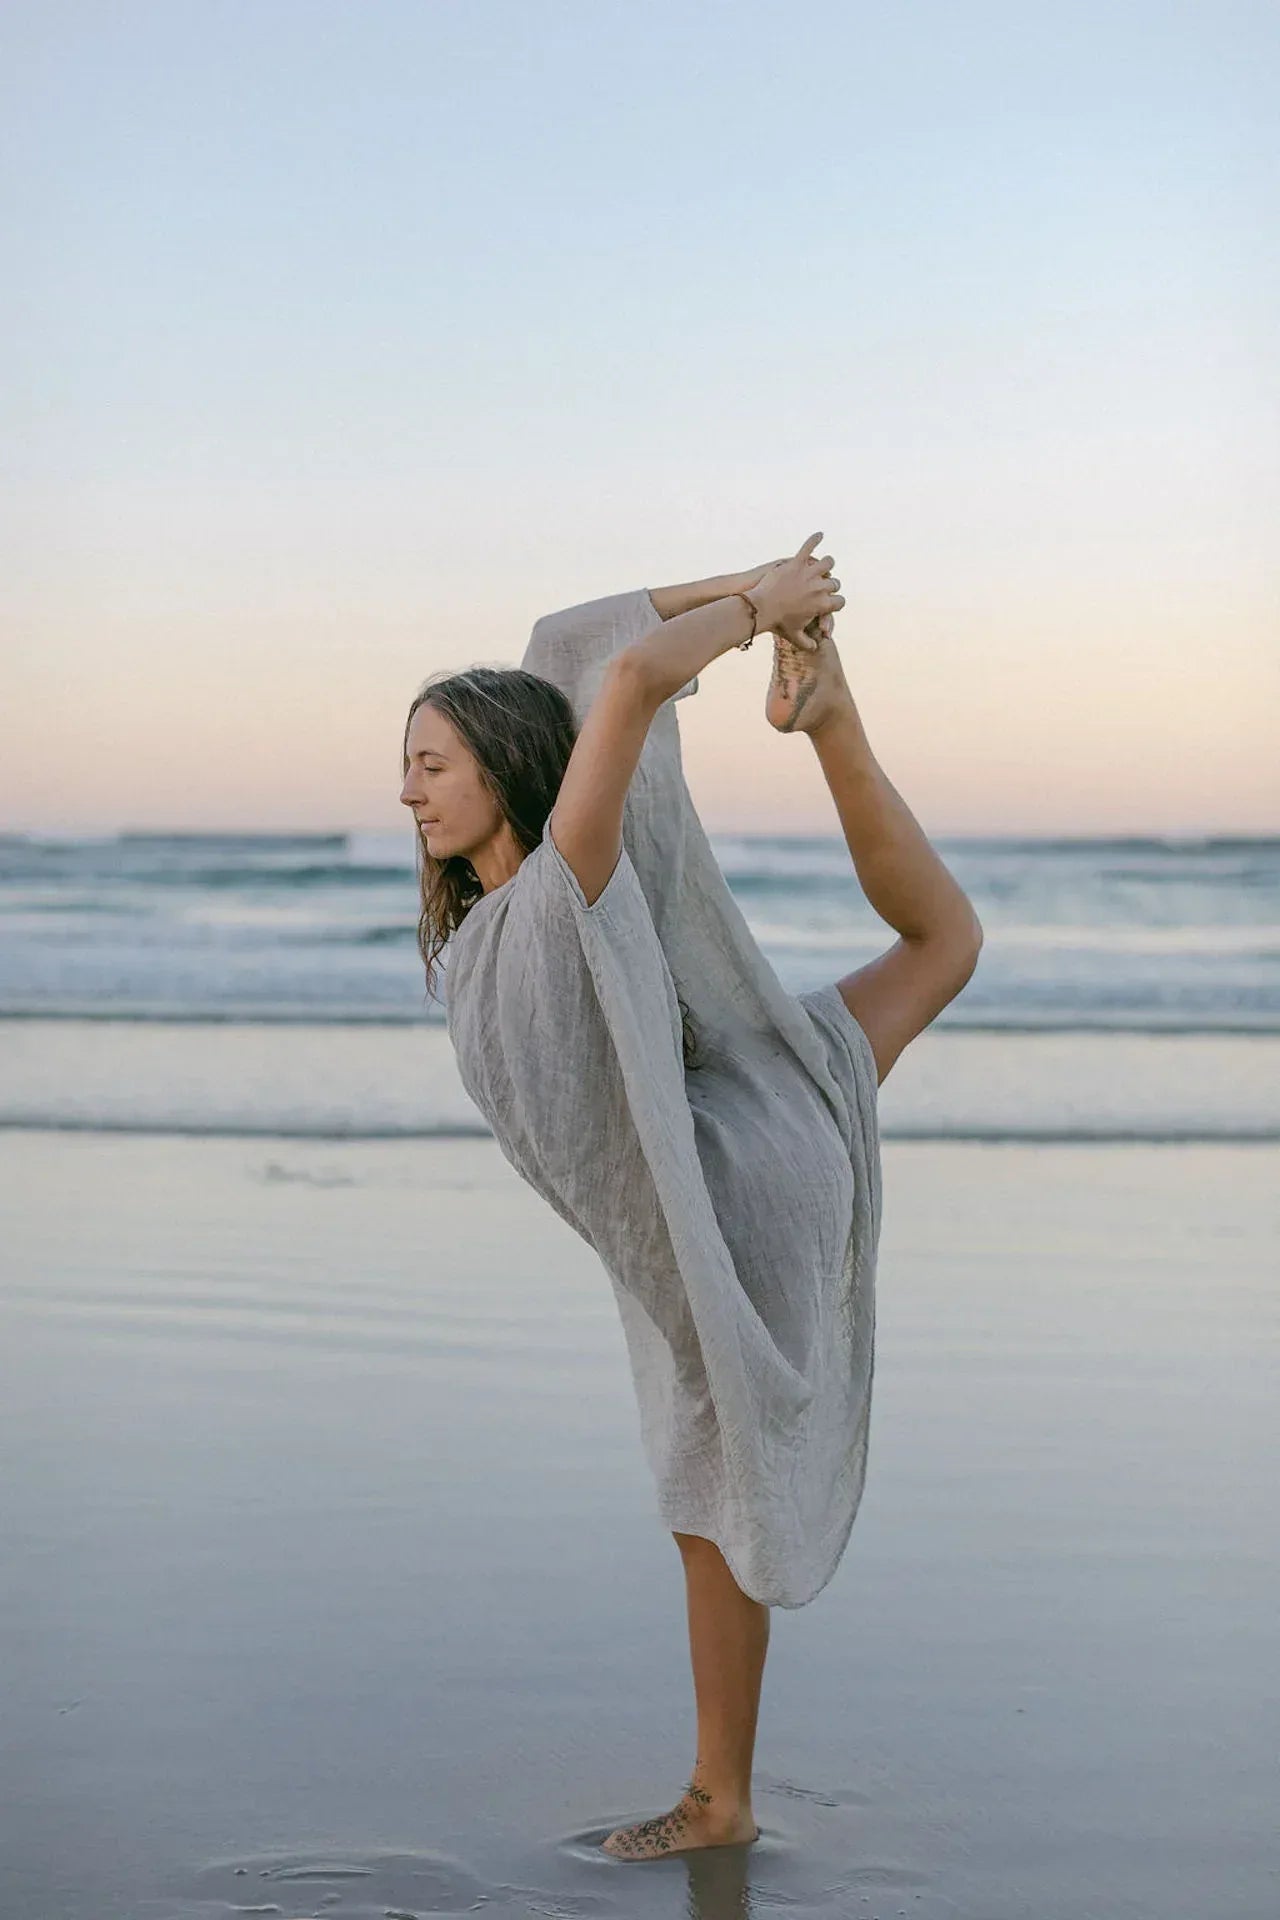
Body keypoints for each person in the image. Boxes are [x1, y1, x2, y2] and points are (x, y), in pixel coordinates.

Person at [399, 533, 983, 1861]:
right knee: (945, 944)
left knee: (711, 1478)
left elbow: (619, 690)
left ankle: (722, 1799)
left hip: (740, 1183)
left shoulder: (565, 890)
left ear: (503, 772)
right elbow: (575, 638)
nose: (411, 796)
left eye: (432, 766)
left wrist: (753, 607)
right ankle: (830, 719)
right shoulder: (515, 919)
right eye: (407, 771)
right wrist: (756, 588)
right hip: (752, 1127)